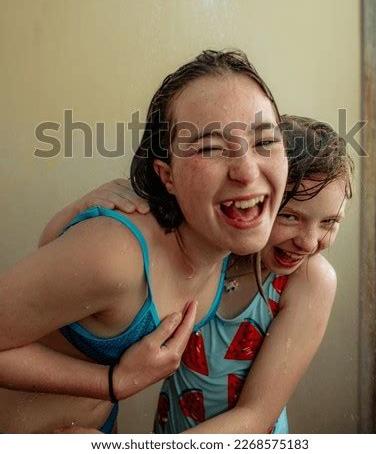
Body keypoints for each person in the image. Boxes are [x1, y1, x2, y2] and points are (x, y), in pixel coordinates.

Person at [0, 49, 288, 433]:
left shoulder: (226, 240)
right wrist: (113, 383)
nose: (247, 171)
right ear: (166, 176)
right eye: (210, 147)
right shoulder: (118, 255)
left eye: (265, 141)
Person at [55, 115, 353, 434]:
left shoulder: (309, 281)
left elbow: (255, 416)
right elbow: (54, 266)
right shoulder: (204, 250)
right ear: (254, 201)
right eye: (291, 216)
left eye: (329, 222)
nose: (308, 242)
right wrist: (86, 206)